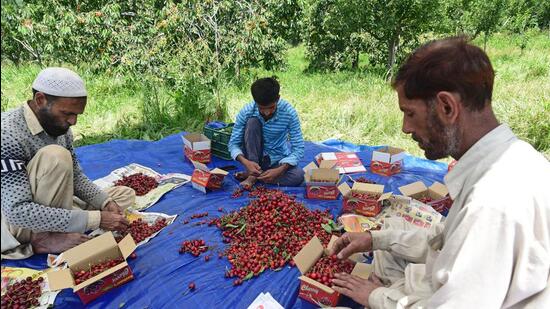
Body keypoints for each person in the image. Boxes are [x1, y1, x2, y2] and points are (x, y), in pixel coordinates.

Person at [329, 37, 550, 308]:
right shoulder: (519, 157)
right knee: (387, 245)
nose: (405, 128)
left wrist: (375, 297)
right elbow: (443, 240)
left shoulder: (490, 203)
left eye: (409, 113)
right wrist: (374, 238)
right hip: (458, 286)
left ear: (447, 107)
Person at [1, 67, 135, 260]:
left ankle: (62, 226)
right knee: (56, 156)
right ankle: (43, 239)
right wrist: (95, 219)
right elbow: (17, 212)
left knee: (123, 197)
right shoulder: (7, 134)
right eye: (67, 113)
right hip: (13, 218)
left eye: (77, 115)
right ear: (40, 100)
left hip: (47, 202)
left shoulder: (59, 126)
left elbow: (77, 177)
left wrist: (105, 203)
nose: (73, 121)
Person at [228, 77, 305, 188]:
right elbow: (233, 144)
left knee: (299, 176)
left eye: (271, 107)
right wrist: (246, 162)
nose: (267, 112)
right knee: (252, 122)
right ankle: (254, 173)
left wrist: (280, 169)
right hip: (253, 156)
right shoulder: (247, 111)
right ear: (255, 102)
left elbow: (298, 148)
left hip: (277, 159)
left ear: (278, 99)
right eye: (262, 108)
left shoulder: (289, 113)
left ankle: (254, 175)